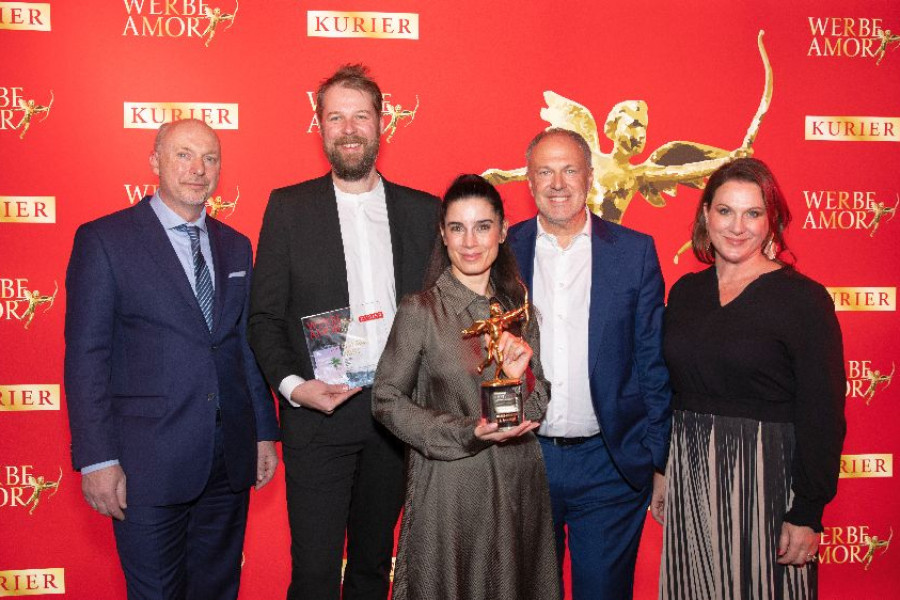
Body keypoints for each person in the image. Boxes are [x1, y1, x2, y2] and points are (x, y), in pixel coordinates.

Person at [64, 118, 280, 600]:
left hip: (228, 461)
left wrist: (264, 432)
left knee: (218, 589)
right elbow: (87, 358)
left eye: (210, 158)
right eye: (183, 155)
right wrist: (97, 458)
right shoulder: (105, 240)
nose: (198, 168)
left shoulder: (236, 245)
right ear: (155, 162)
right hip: (146, 463)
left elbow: (243, 346)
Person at [248, 64, 440, 600]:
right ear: (320, 126)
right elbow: (264, 318)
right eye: (336, 118)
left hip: (395, 418)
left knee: (373, 568)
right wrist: (295, 388)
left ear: (382, 124)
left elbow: (441, 317)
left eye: (360, 116)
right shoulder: (289, 208)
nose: (349, 129)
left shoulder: (423, 212)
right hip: (318, 416)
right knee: (314, 574)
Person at [659, 158, 846, 599]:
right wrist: (662, 469)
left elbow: (822, 412)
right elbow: (671, 392)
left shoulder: (804, 300)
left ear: (771, 221)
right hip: (689, 470)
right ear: (706, 214)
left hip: (768, 477)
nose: (737, 227)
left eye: (753, 213)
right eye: (725, 211)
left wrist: (807, 510)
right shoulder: (685, 293)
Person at [372, 174, 559, 600]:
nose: (470, 241)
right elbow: (385, 400)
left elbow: (538, 401)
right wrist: (465, 431)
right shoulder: (421, 311)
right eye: (457, 228)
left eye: (482, 226)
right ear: (443, 234)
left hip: (517, 487)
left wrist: (520, 379)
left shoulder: (520, 312)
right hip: (451, 489)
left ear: (503, 231)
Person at [507, 128, 672, 600]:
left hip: (609, 466)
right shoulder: (502, 251)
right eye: (545, 171)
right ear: (529, 181)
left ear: (590, 177)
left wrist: (659, 459)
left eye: (570, 170)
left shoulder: (634, 253)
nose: (558, 183)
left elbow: (652, 364)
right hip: (523, 460)